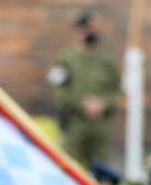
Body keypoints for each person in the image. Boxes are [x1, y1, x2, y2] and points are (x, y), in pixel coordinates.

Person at [49, 12, 120, 172]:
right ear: (76, 31)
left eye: (92, 29)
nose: (89, 33)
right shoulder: (66, 58)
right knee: (72, 168)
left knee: (101, 170)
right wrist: (82, 104)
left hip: (99, 125)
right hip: (75, 123)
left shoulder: (105, 60)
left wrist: (103, 103)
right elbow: (60, 92)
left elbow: (116, 90)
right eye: (85, 29)